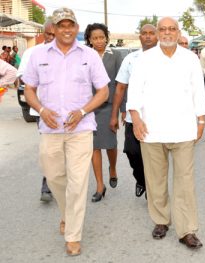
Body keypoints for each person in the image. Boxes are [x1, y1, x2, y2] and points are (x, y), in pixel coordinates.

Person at [22, 7, 109, 256]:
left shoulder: (89, 56)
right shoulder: (38, 54)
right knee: (55, 177)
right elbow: (29, 89)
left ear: (77, 28)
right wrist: (40, 108)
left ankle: (73, 234)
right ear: (55, 28)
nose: (67, 29)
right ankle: (66, 214)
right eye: (62, 25)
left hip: (80, 129)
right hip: (50, 129)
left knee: (78, 182)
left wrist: (82, 111)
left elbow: (103, 91)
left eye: (71, 25)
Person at [127, 17, 205, 249]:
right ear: (158, 32)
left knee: (185, 181)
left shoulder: (190, 59)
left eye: (172, 29)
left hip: (183, 130)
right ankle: (161, 220)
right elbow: (134, 91)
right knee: (155, 180)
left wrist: (201, 120)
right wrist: (135, 119)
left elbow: (198, 91)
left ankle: (186, 229)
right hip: (151, 130)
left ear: (178, 32)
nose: (167, 33)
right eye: (163, 29)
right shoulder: (145, 59)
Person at [109, 24, 158, 198]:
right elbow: (120, 87)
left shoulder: (166, 58)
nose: (148, 36)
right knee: (132, 151)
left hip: (158, 118)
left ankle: (153, 190)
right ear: (140, 37)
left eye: (152, 33)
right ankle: (142, 180)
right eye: (144, 33)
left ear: (157, 35)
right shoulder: (131, 59)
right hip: (133, 117)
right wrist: (114, 114)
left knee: (155, 158)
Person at [17, 19, 56, 203]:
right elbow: (23, 82)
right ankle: (47, 185)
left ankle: (60, 183)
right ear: (43, 34)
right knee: (49, 150)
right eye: (48, 34)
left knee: (63, 151)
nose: (51, 38)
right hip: (43, 112)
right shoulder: (32, 53)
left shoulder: (70, 53)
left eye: (54, 35)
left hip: (68, 112)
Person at [84, 23, 123, 202]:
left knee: (110, 144)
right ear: (89, 40)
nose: (99, 41)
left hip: (109, 106)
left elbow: (122, 84)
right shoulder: (84, 56)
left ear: (106, 37)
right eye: (95, 38)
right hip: (89, 107)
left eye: (102, 37)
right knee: (94, 146)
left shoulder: (115, 56)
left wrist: (121, 110)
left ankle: (112, 168)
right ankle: (100, 185)